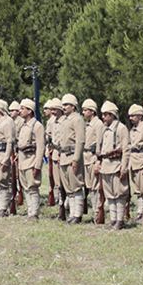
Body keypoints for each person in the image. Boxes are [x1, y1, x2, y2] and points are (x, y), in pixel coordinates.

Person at [97, 101, 131, 229]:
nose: (104, 117)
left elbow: (126, 149)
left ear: (112, 115)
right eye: (103, 115)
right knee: (109, 194)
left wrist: (124, 167)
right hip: (106, 165)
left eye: (106, 115)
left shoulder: (121, 128)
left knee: (119, 194)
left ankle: (120, 220)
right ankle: (113, 219)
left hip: (116, 164)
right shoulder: (103, 129)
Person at [58, 94, 87, 224]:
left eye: (66, 105)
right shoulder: (64, 120)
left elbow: (80, 141)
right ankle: (72, 213)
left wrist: (76, 158)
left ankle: (78, 214)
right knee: (68, 188)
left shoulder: (78, 119)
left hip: (72, 156)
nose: (64, 107)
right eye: (63, 105)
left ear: (73, 106)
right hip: (64, 156)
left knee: (76, 186)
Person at [16, 98, 45, 220]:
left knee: (32, 187)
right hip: (22, 161)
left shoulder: (37, 126)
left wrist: (37, 165)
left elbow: (40, 147)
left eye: (23, 108)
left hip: (31, 160)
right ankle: (30, 210)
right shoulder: (23, 126)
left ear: (30, 110)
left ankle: (34, 213)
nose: (20, 111)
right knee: (26, 188)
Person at [126, 104, 143, 224]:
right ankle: (140, 211)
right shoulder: (132, 130)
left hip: (141, 160)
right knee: (138, 190)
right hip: (133, 161)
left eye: (133, 115)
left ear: (140, 115)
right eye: (130, 116)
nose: (131, 118)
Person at [82, 98, 102, 218]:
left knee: (95, 187)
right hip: (86, 157)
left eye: (85, 110)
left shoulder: (98, 124)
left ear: (92, 111)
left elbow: (99, 142)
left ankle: (97, 213)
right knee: (89, 186)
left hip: (93, 157)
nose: (83, 113)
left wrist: (98, 161)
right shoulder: (87, 124)